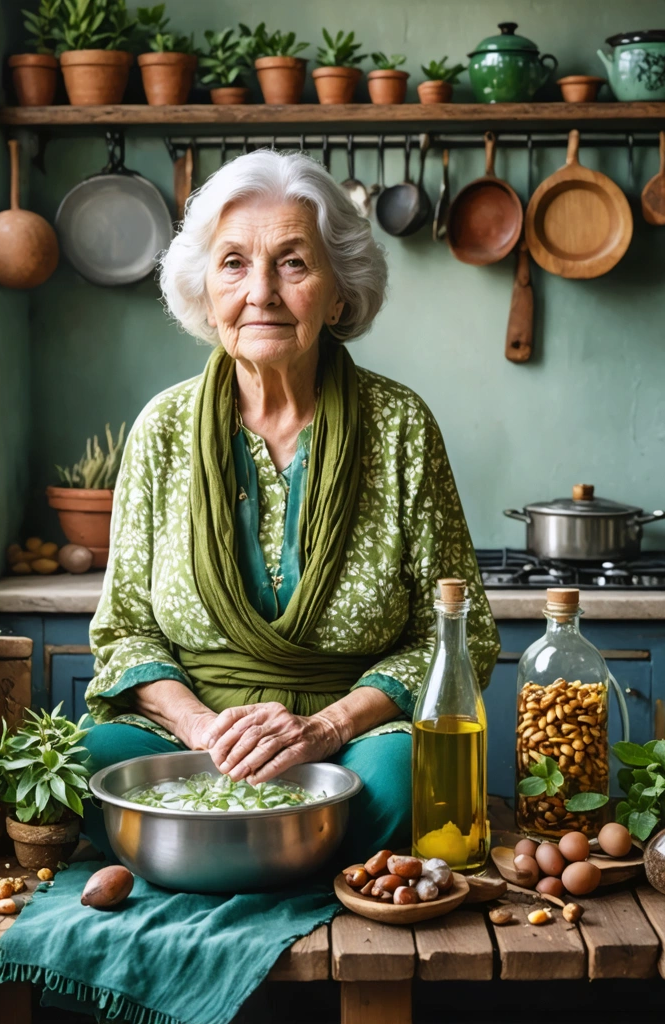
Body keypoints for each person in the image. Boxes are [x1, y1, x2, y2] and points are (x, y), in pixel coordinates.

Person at [81, 149, 499, 861]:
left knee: (399, 785)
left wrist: (327, 728)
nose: (262, 292)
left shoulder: (400, 425)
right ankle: (278, 856)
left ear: (339, 293)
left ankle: (211, 858)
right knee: (79, 768)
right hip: (196, 733)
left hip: (355, 740)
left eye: (294, 264)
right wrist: (205, 732)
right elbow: (124, 634)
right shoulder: (162, 428)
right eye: (235, 263)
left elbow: (459, 635)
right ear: (207, 293)